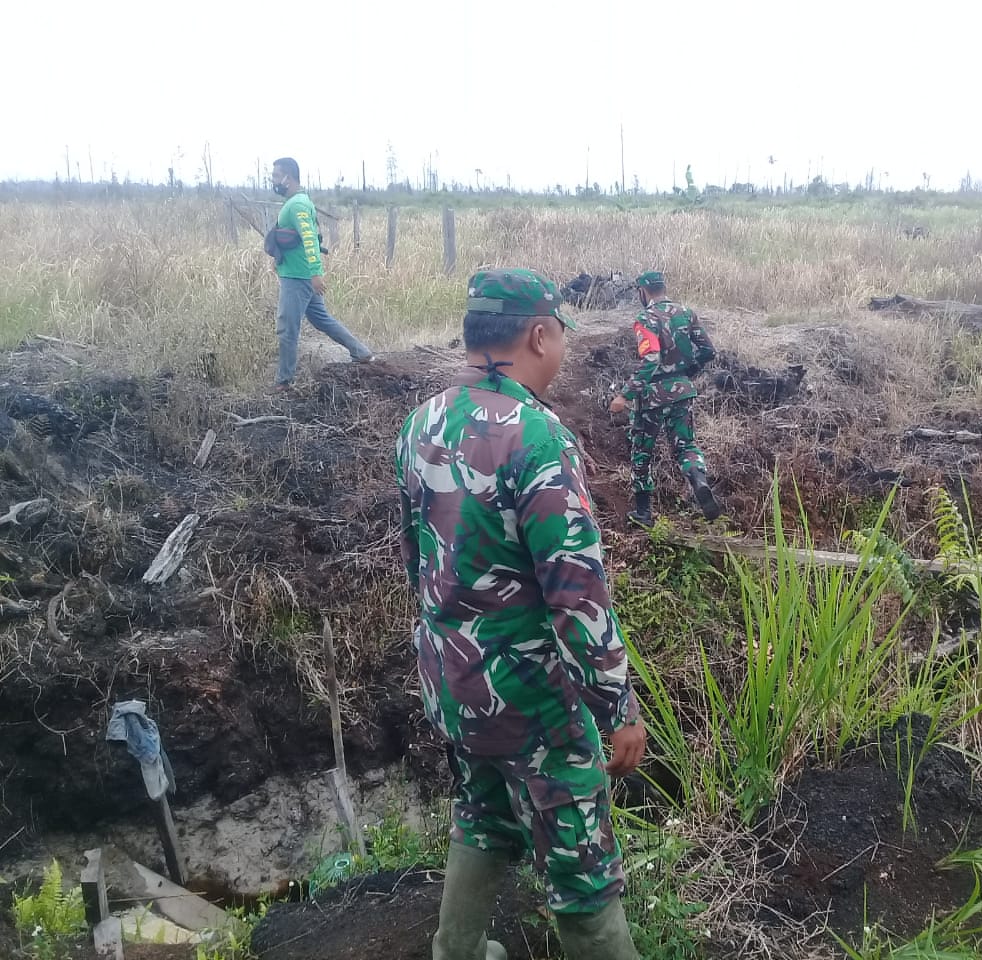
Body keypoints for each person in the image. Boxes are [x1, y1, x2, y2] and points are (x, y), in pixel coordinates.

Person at [396, 268, 646, 959]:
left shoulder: (422, 422)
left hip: (453, 681)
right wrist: (617, 707)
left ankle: (457, 951)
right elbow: (576, 593)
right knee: (582, 872)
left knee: (483, 814)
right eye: (561, 335)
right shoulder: (536, 436)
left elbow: (417, 560)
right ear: (539, 335)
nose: (561, 349)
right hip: (530, 699)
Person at [609, 271, 722, 527]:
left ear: (643, 291)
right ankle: (698, 480)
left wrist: (624, 395)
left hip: (652, 397)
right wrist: (686, 374)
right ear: (663, 288)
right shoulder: (686, 313)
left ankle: (643, 513)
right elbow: (708, 351)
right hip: (682, 391)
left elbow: (651, 359)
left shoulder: (645, 318)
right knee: (686, 446)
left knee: (642, 451)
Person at [268, 157, 374, 390]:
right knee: (321, 319)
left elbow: (310, 240)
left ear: (288, 178)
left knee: (287, 328)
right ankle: (361, 352)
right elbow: (295, 239)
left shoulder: (297, 205)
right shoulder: (298, 201)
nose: (273, 180)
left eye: (276, 176)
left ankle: (284, 381)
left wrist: (315, 274)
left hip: (299, 278)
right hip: (298, 274)